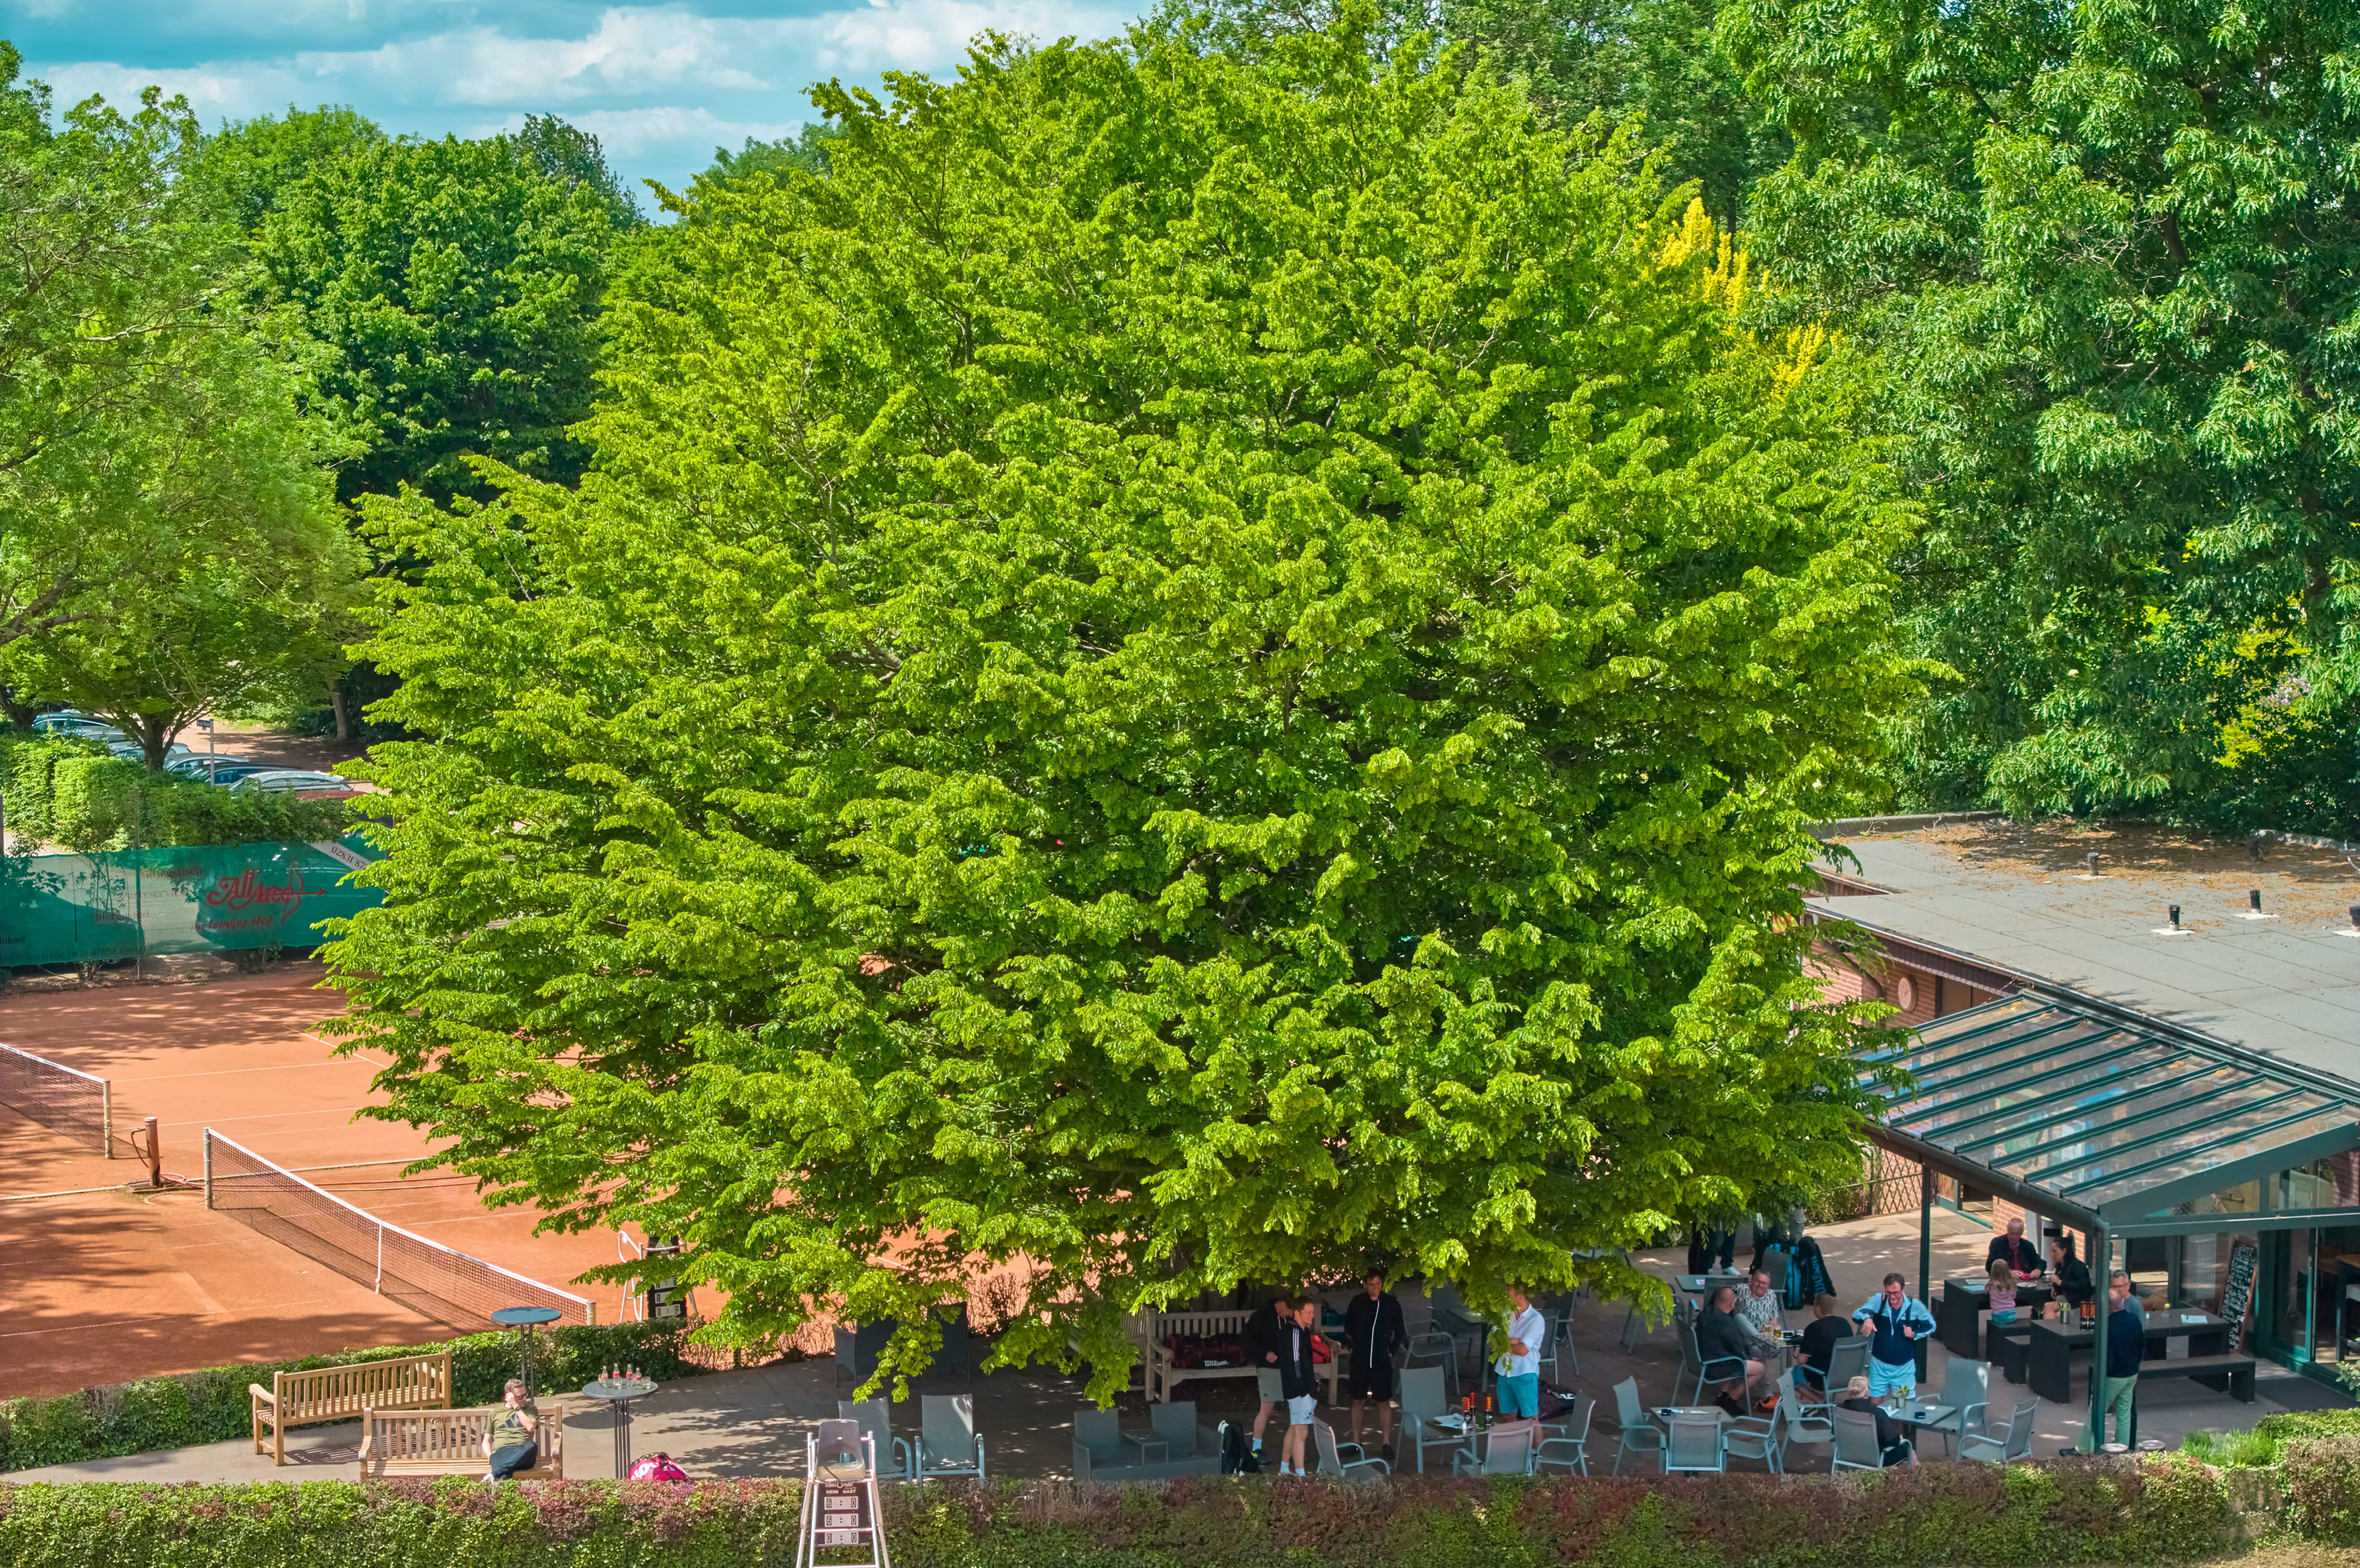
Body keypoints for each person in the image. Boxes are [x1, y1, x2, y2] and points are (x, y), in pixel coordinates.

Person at [2068, 1271, 2145, 1454]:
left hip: (2114, 1375)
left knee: (2096, 1411)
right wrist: (2135, 1365)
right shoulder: (2134, 1319)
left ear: (2108, 1307)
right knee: (2124, 1413)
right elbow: (2142, 1345)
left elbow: (2108, 1355)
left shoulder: (2108, 1326)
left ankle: (2084, 1449)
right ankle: (2121, 1449)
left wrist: (2102, 1376)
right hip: (2131, 1373)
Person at [1343, 1266, 1408, 1452]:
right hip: (1360, 1360)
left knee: (1383, 1401)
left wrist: (1391, 1351)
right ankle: (1356, 1442)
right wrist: (1353, 1346)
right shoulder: (1357, 1302)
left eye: (1378, 1283)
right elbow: (1348, 1327)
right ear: (1365, 1285)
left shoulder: (1390, 1303)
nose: (1375, 1288)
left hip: (1381, 1360)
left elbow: (1400, 1330)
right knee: (1357, 1400)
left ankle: (1386, 1443)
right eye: (1371, 1284)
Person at [1851, 1272, 1935, 1399]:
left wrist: (1914, 1333)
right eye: (1888, 1293)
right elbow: (1857, 1313)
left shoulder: (1915, 1306)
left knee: (1902, 1403)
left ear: (1903, 1290)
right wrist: (1867, 1319)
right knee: (1875, 1401)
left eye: (1896, 1293)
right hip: (1879, 1365)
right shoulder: (1878, 1300)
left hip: (1903, 1369)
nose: (1892, 1297)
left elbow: (1931, 1325)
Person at [1275, 1298, 1326, 1477]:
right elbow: (1295, 1362)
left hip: (1298, 1388)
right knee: (1301, 1431)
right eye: (1308, 1312)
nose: (1312, 1316)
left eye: (1313, 1312)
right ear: (1297, 1313)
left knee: (1295, 1426)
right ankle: (1301, 1475)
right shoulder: (1295, 1332)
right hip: (1299, 1390)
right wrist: (1303, 1390)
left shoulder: (1301, 1331)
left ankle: (1284, 1468)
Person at [1696, 1284, 1765, 1415]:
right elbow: (1738, 1346)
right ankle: (1732, 1400)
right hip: (1715, 1366)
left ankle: (1723, 1396)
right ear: (1733, 1302)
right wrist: (1749, 1359)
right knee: (1759, 1369)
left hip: (1702, 1360)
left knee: (1735, 1359)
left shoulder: (1705, 1313)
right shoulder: (1725, 1322)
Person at [1243, 1291, 1291, 1462]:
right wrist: (1264, 1354)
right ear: (1282, 1304)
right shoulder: (1260, 1317)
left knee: (1296, 1407)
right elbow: (1246, 1338)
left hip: (1286, 1367)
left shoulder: (1286, 1319)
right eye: (1289, 1311)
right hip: (1268, 1367)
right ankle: (1256, 1449)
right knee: (1266, 1408)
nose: (1290, 1314)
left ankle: (1295, 1448)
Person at [1837, 1375, 1918, 1468]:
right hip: (1875, 1457)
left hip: (1848, 1453)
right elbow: (1892, 1441)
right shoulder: (1876, 1413)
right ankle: (1920, 1473)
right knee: (1908, 1449)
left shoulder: (1839, 1410)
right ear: (1867, 1393)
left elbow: (1835, 1432)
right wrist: (1899, 1438)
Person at [1496, 1284, 1546, 1420]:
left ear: (1520, 1298)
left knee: (1531, 1418)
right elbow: (1493, 1341)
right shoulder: (1505, 1314)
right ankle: (1513, 1435)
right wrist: (1513, 1341)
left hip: (1524, 1373)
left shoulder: (1535, 1319)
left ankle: (1536, 1437)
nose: (1504, 1299)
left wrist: (1503, 1343)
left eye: (1508, 1297)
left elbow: (1522, 1350)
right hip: (1504, 1371)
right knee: (1507, 1414)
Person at [480, 1378, 538, 1482]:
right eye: (520, 1397)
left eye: (525, 1395)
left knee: (532, 1446)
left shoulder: (530, 1409)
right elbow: (486, 1441)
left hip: (523, 1451)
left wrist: (516, 1406)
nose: (525, 1399)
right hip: (503, 1452)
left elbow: (530, 1427)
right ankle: (501, 1474)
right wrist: (490, 1457)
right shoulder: (495, 1413)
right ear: (509, 1396)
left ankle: (495, 1474)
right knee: (505, 1473)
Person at [1794, 1294, 1852, 1392]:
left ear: (1817, 1309)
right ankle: (1826, 1399)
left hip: (1821, 1376)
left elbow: (1801, 1360)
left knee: (1794, 1376)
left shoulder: (1814, 1328)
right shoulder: (1844, 1323)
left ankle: (1820, 1400)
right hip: (1845, 1374)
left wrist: (1800, 1349)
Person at [1988, 1215, 2044, 1279]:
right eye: (2011, 1233)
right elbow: (1989, 1266)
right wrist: (2008, 1272)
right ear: (2007, 1230)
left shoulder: (2028, 1245)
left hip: (2024, 1280)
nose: (2013, 1237)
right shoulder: (1997, 1243)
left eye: (2017, 1234)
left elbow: (2041, 1263)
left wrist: (2038, 1270)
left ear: (2022, 1233)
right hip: (2004, 1280)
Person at [2050, 1237, 2094, 1317]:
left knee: (2058, 1315)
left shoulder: (2078, 1266)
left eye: (2055, 1251)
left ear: (2064, 1251)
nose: (2052, 1254)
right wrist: (2055, 1286)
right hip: (2069, 1303)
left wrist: (2061, 1283)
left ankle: (2052, 1324)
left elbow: (2083, 1287)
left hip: (2079, 1306)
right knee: (2048, 1307)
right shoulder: (2060, 1266)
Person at [1987, 1259, 2020, 1325]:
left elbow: (1987, 1291)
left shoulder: (1991, 1285)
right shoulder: (2012, 1284)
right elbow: (2014, 1296)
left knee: (1997, 1316)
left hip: (1998, 1317)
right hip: (2012, 1315)